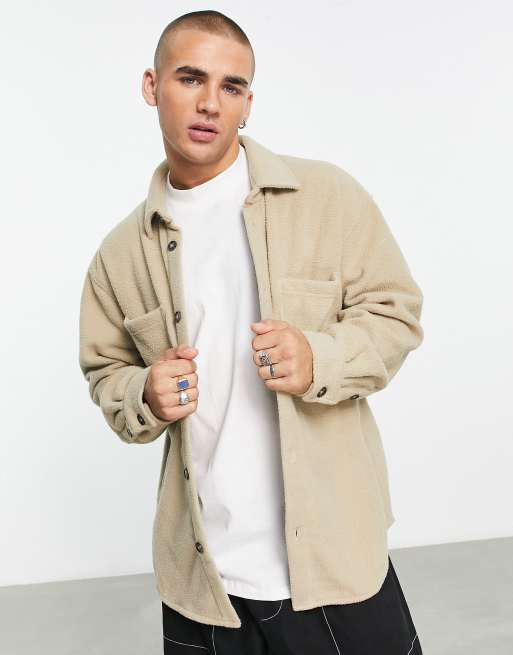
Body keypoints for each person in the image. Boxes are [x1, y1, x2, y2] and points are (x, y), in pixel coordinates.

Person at [79, 9, 424, 654]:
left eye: (231, 86)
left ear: (248, 102)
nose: (211, 103)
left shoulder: (326, 197)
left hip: (333, 567)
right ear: (152, 86)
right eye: (190, 78)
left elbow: (395, 314)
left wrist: (319, 358)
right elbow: (106, 372)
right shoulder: (120, 255)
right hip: (201, 584)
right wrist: (143, 392)